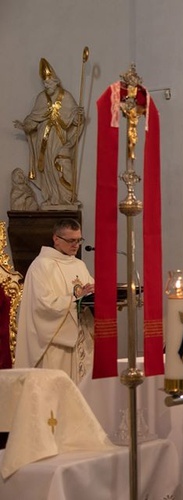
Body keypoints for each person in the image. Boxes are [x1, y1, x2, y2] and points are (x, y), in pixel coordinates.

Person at [15, 219, 94, 383]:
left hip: (80, 340)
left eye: (79, 240)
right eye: (71, 240)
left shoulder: (79, 265)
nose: (76, 245)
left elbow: (88, 294)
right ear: (56, 239)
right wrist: (77, 299)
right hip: (56, 344)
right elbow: (44, 306)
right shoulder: (42, 266)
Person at [13, 58, 84, 208]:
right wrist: (25, 126)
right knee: (47, 169)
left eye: (48, 83)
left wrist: (78, 117)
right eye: (44, 83)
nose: (46, 86)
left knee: (61, 163)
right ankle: (52, 197)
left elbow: (75, 120)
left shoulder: (66, 97)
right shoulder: (41, 98)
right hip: (42, 141)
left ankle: (65, 198)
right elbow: (33, 119)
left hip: (58, 139)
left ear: (55, 81)